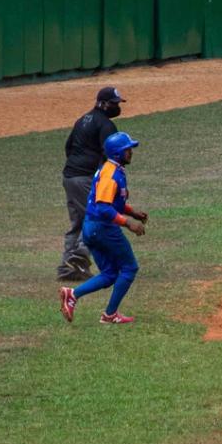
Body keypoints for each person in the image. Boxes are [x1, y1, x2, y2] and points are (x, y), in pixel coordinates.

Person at [59, 132, 147, 325]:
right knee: (129, 268)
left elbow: (113, 200)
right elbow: (103, 206)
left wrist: (132, 212)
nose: (131, 152)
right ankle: (110, 314)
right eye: (127, 150)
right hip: (103, 228)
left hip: (92, 227)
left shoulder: (110, 168)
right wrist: (128, 223)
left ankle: (72, 294)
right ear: (117, 154)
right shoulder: (111, 174)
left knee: (109, 274)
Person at [59, 86, 127, 281]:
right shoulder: (106, 125)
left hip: (70, 177)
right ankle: (77, 259)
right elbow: (111, 156)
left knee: (77, 222)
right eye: (114, 103)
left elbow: (68, 146)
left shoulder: (83, 120)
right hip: (84, 178)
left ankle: (69, 268)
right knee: (96, 218)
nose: (117, 107)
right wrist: (103, 180)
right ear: (103, 103)